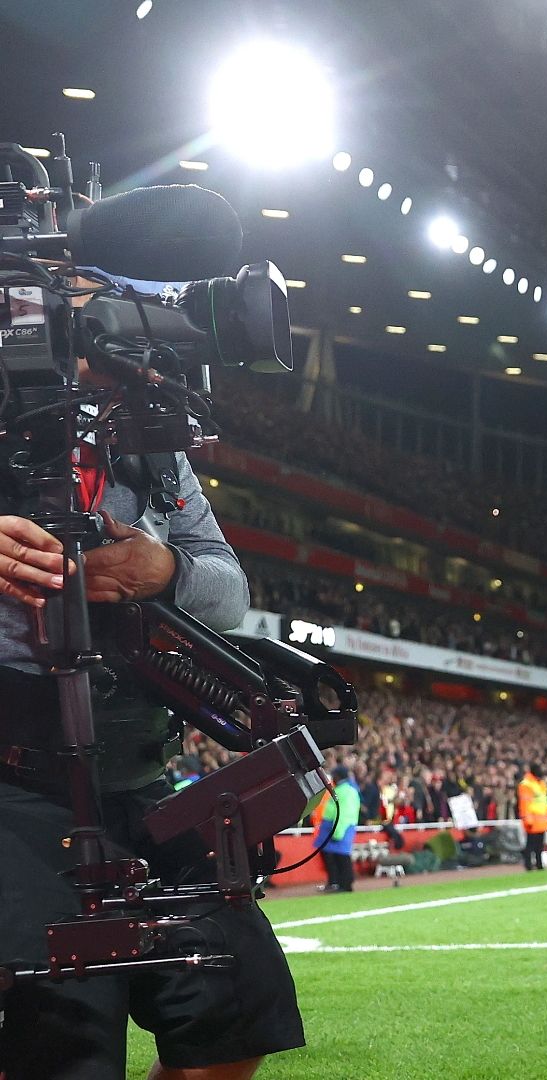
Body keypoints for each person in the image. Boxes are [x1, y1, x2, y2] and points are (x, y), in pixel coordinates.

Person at [0, 358, 305, 1078]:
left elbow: (229, 590)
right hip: (15, 776)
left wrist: (167, 571)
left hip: (138, 774)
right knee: (59, 1038)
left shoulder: (150, 437)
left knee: (236, 1009)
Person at [316, 764, 362, 893]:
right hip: (333, 826)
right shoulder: (344, 789)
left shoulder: (346, 791)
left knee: (340, 856)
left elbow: (344, 813)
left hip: (339, 827)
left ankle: (343, 884)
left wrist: (338, 831)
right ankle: (336, 883)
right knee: (332, 856)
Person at [518, 762, 547, 872]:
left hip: (541, 820)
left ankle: (539, 864)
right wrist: (528, 819)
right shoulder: (526, 784)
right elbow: (525, 804)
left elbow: (544, 802)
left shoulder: (541, 783)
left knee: (539, 845)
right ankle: (528, 865)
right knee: (530, 845)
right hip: (533, 820)